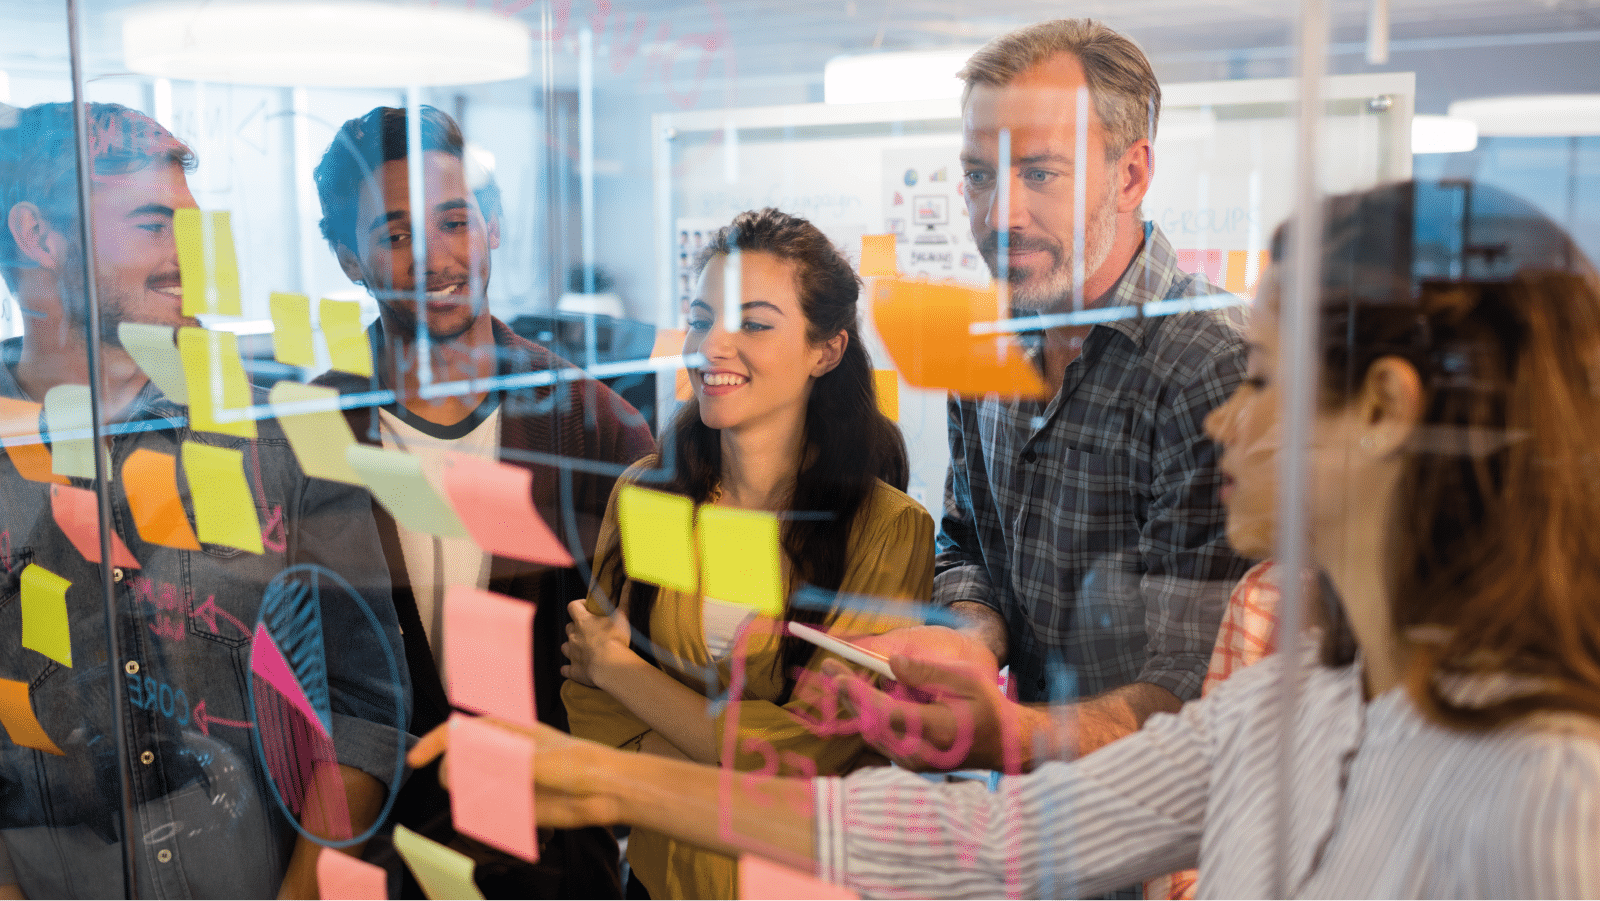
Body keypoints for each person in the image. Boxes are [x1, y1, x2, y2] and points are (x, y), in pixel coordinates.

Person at [414, 179, 1600, 899]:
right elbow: (994, 837)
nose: (1227, 415)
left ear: (1387, 411)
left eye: (1268, 378)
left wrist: (626, 749)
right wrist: (601, 773)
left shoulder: (1553, 789)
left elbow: (845, 770)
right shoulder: (1295, 705)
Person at [0, 102, 409, 899]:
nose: (191, 252)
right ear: (39, 237)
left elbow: (365, 705)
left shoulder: (282, 434)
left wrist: (306, 890)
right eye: (154, 223)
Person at [854, 17, 1250, 774]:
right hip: (1032, 827)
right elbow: (968, 541)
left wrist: (1005, 733)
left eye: (1039, 173)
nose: (1000, 213)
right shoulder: (990, 338)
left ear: (1130, 175)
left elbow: (1196, 684)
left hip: (1160, 845)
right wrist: (969, 638)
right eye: (979, 174)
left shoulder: (1209, 364)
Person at [312, 104, 653, 897]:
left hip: (560, 859)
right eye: (395, 236)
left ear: (493, 224)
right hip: (378, 858)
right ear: (347, 258)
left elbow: (651, 661)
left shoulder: (594, 426)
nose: (434, 256)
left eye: (455, 220)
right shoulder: (304, 435)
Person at [560, 207, 933, 900]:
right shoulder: (650, 497)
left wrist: (626, 675)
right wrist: (721, 740)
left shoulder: (886, 529)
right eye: (701, 319)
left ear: (826, 349)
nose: (713, 345)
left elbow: (810, 757)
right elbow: (591, 710)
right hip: (660, 880)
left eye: (754, 323)